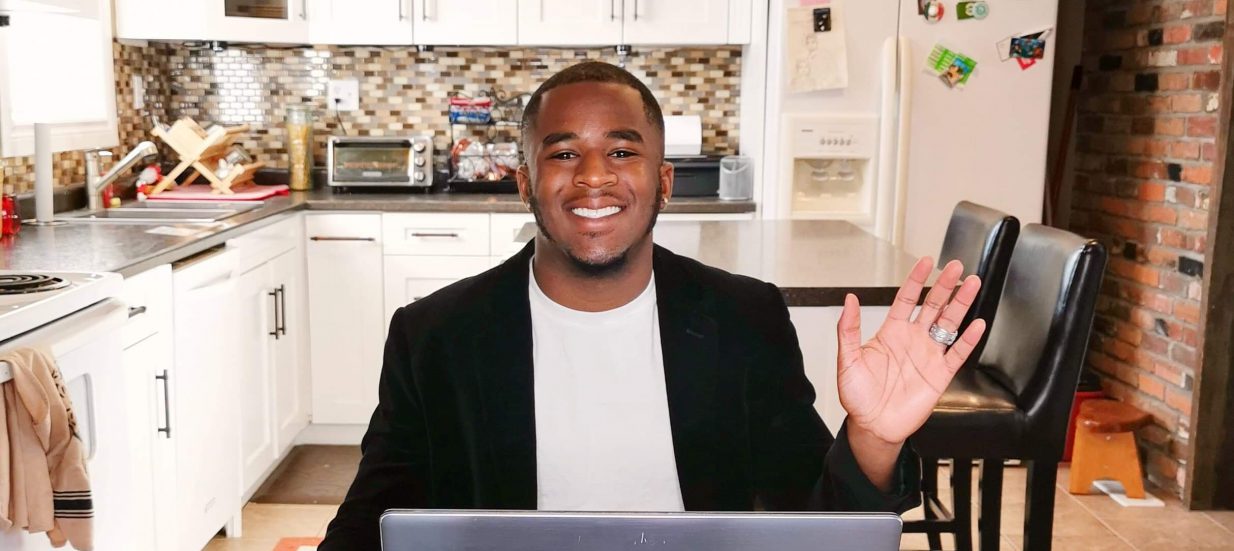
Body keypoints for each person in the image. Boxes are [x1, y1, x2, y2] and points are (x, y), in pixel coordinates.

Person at [319, 61, 985, 550]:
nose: (594, 177)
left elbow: (813, 517)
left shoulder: (743, 319)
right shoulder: (435, 335)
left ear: (663, 181)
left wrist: (872, 437)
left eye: (621, 150)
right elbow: (370, 522)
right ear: (524, 182)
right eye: (563, 154)